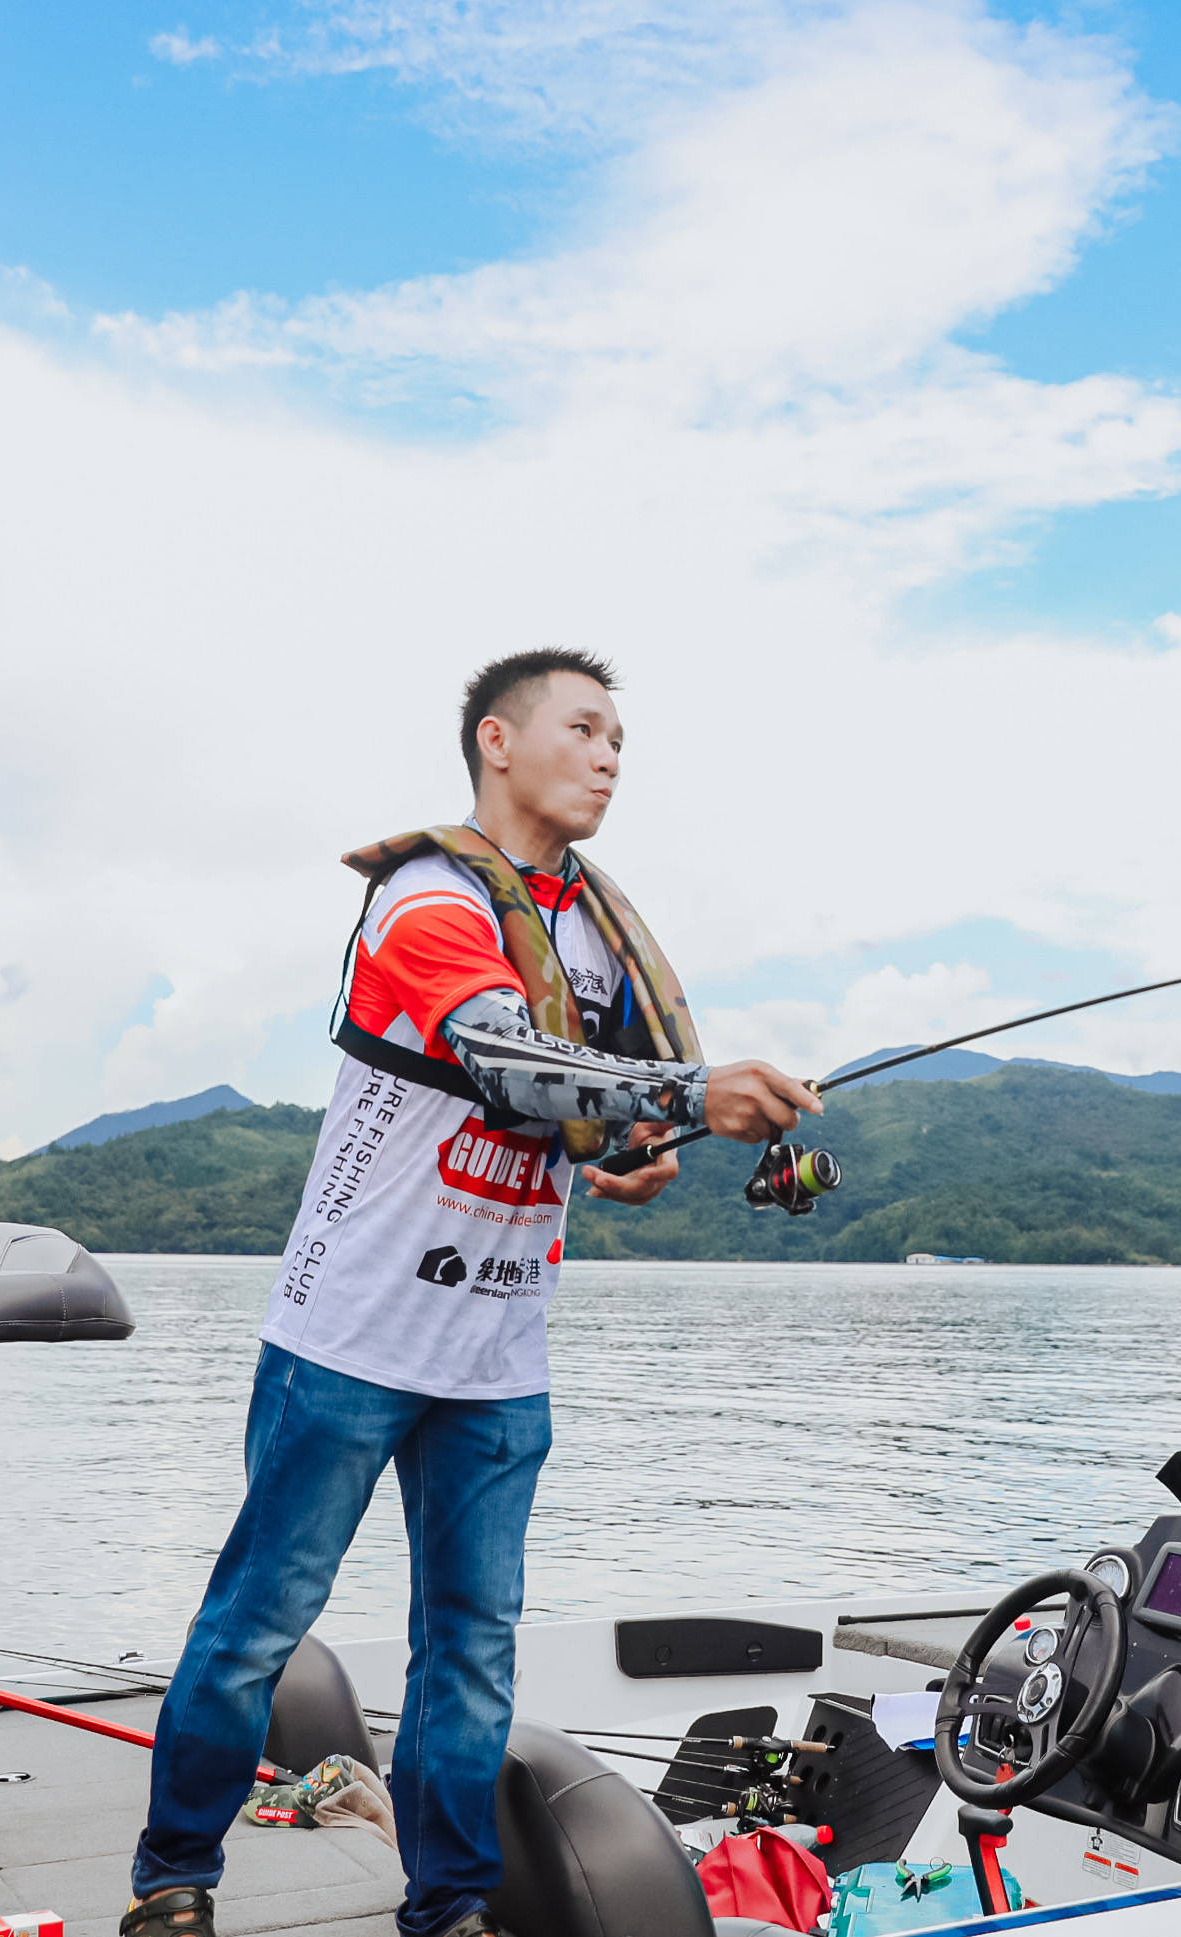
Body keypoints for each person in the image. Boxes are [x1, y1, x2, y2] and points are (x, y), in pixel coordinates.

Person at [124, 649, 820, 1937]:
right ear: (498, 741)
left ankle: (448, 1906)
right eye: (584, 726)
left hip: (498, 1350)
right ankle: (173, 1882)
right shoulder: (426, 897)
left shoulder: (597, 939)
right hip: (349, 1335)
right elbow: (505, 1057)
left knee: (472, 1648)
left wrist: (637, 1158)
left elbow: (584, 1115)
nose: (611, 752)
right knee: (255, 1623)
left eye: (622, 735)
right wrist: (686, 1092)